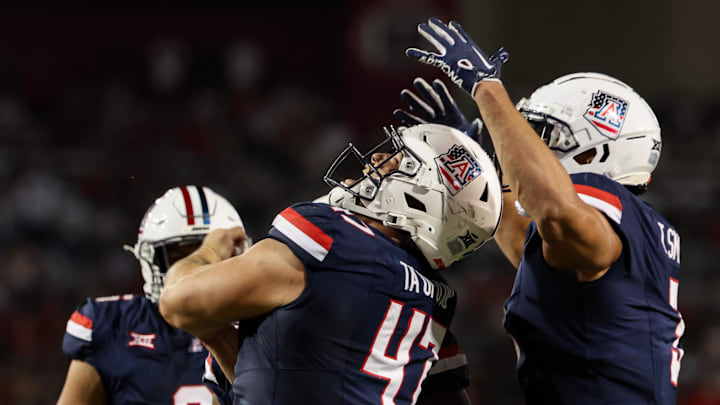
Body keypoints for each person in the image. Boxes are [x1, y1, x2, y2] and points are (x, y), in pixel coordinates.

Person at [405, 17, 684, 404]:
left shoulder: (600, 202)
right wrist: (481, 164)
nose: (529, 147)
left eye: (543, 135)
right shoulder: (624, 230)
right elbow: (526, 244)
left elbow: (553, 208)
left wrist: (486, 88)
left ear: (596, 152)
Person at [158, 123, 503, 404]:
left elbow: (177, 303)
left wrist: (210, 250)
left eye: (398, 160)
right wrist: (217, 335)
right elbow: (290, 382)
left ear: (421, 197)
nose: (377, 159)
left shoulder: (331, 237)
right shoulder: (437, 300)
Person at [57, 186, 247, 405]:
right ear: (151, 261)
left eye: (207, 258)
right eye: (180, 259)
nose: (194, 274)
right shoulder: (113, 325)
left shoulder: (263, 326)